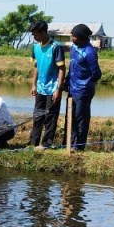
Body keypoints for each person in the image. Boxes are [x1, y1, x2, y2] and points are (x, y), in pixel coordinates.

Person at [28, 20, 66, 150]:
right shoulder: (35, 47)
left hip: (52, 88)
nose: (34, 37)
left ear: (43, 32)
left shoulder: (56, 46)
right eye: (33, 35)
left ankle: (46, 144)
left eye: (36, 34)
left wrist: (58, 89)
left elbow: (62, 68)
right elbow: (36, 66)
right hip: (40, 88)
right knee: (37, 115)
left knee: (50, 117)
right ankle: (33, 142)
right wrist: (34, 85)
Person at [67, 23, 102, 151]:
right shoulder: (74, 48)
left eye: (74, 36)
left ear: (81, 37)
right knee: (71, 117)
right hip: (72, 89)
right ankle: (70, 143)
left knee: (81, 118)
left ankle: (79, 146)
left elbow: (97, 74)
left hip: (83, 91)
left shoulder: (90, 52)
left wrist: (86, 83)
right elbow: (71, 68)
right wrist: (67, 83)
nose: (72, 38)